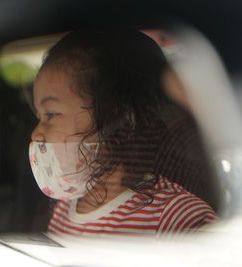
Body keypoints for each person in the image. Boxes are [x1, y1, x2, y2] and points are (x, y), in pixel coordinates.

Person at [28, 27, 218, 237]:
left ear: (119, 117)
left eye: (51, 115)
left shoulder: (177, 217)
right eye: (39, 117)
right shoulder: (62, 210)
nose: (36, 133)